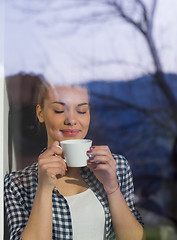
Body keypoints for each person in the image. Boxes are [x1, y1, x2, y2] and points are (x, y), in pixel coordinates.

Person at [4, 80, 145, 240]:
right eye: (59, 110)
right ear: (40, 113)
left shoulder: (115, 166)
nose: (71, 120)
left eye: (82, 111)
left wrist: (112, 187)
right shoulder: (17, 184)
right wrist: (44, 188)